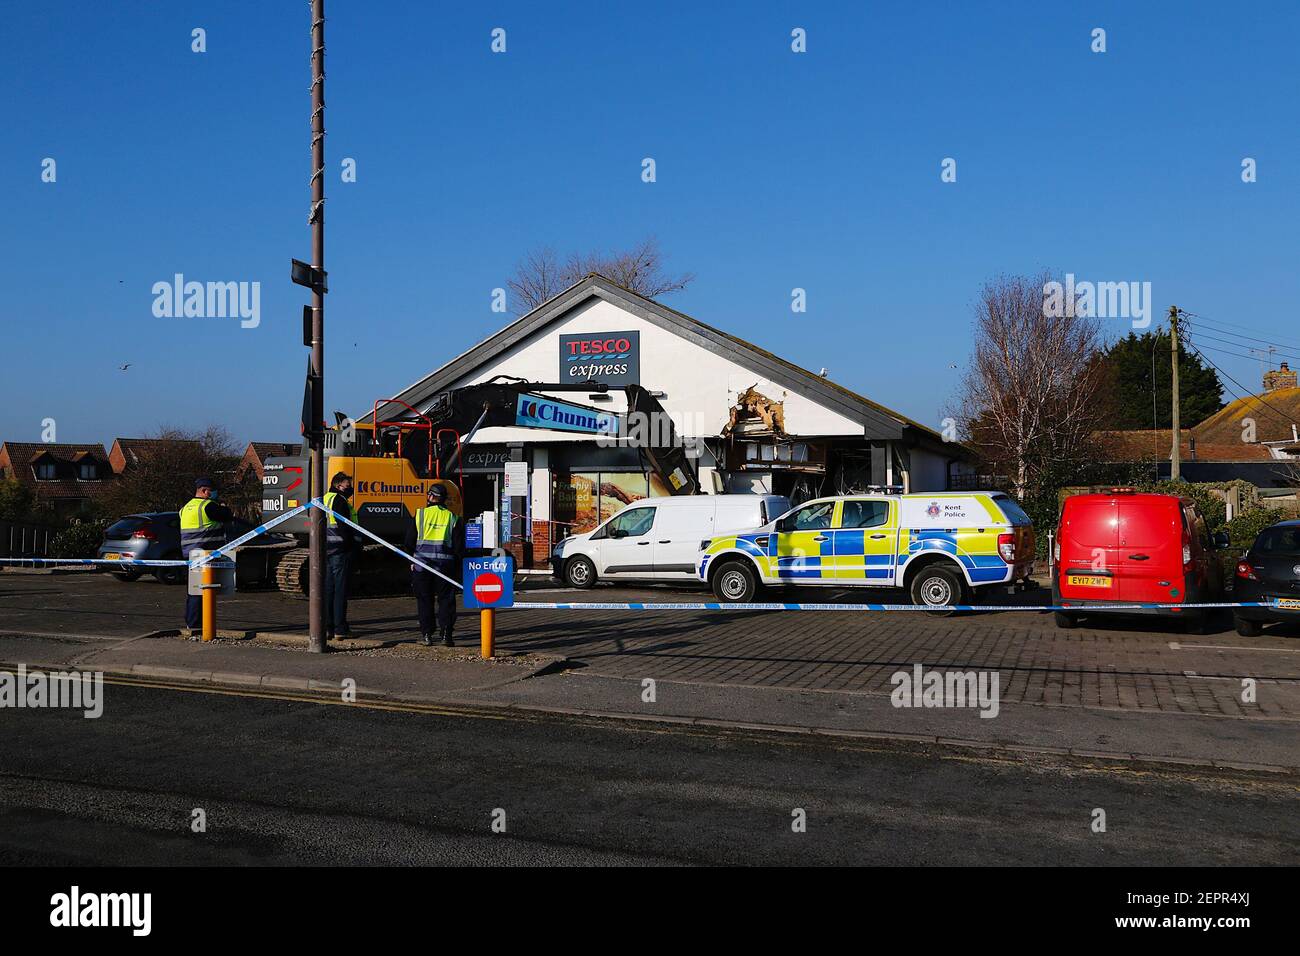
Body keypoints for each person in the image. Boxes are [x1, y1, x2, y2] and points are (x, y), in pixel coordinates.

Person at [405, 483, 463, 646]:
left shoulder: (420, 514)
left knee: (424, 600)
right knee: (446, 600)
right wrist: (455, 567)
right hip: (445, 566)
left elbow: (409, 542)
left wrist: (412, 560)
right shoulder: (453, 518)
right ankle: (446, 635)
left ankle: (427, 635)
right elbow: (459, 549)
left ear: (430, 496)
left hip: (422, 566)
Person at [179, 477, 233, 631]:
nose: (216, 493)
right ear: (204, 491)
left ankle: (195, 623)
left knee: (195, 591)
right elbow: (227, 515)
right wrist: (222, 506)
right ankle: (197, 625)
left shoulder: (185, 508)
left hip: (191, 556)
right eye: (213, 491)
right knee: (201, 591)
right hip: (205, 555)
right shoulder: (208, 506)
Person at [322, 471, 358, 640]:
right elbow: (344, 527)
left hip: (327, 549)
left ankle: (328, 627)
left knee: (329, 590)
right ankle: (340, 628)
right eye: (347, 485)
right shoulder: (340, 501)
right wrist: (353, 545)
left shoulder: (324, 499)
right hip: (341, 550)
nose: (350, 488)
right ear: (338, 485)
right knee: (340, 591)